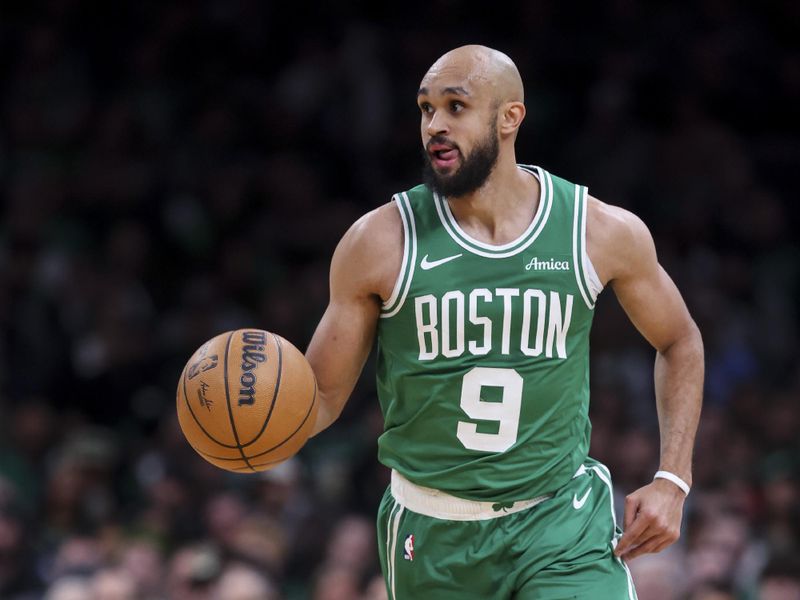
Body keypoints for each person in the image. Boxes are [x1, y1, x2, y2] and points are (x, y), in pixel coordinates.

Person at [305, 45, 704, 599]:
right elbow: (320, 397)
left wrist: (673, 479)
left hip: (559, 523)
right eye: (425, 109)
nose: (435, 126)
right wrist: (255, 431)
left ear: (510, 117)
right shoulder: (379, 241)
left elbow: (679, 339)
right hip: (432, 532)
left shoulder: (595, 230)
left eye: (455, 106)